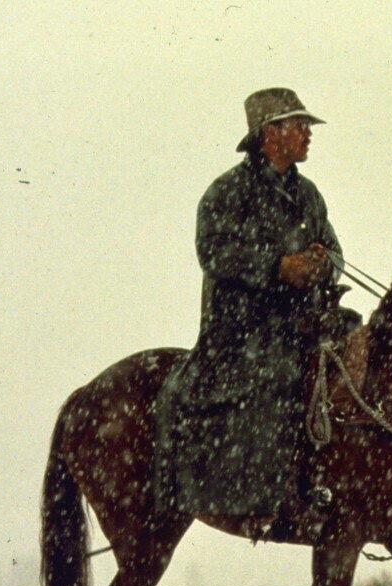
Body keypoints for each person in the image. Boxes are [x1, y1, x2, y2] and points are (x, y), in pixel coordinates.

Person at [153, 88, 359, 529]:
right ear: (270, 134)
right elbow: (213, 252)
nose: (308, 134)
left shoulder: (309, 195)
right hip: (243, 330)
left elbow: (336, 252)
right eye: (300, 126)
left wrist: (322, 263)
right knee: (278, 376)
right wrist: (278, 267)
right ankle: (265, 500)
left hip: (305, 322)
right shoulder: (226, 192)